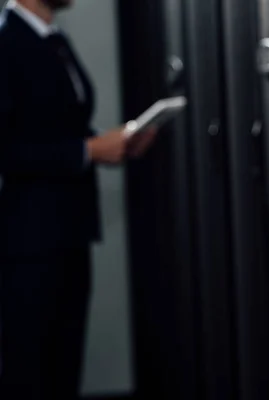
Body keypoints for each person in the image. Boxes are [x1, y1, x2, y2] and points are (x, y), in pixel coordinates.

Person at [0, 0, 155, 398]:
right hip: (29, 242)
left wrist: (116, 141)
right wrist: (88, 151)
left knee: (64, 368)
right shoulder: (7, 40)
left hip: (71, 230)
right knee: (31, 372)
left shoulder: (54, 39)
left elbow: (59, 125)